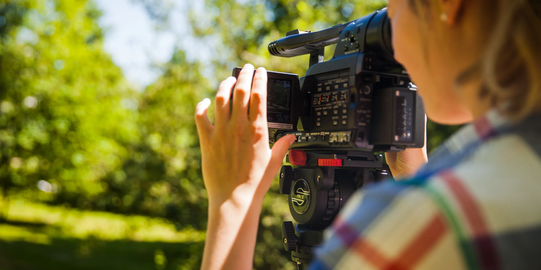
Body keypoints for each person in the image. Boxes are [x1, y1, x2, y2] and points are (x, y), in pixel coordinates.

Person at [194, 0, 541, 269]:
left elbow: (436, 224)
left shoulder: (435, 216)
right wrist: (415, 176)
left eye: (393, 8)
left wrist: (233, 200)